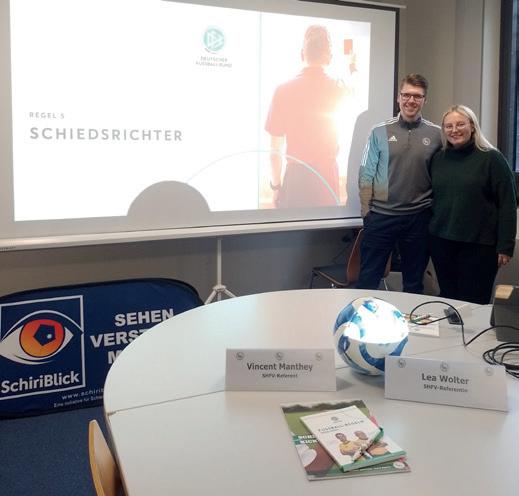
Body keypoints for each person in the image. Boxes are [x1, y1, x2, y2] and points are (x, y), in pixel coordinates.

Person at [357, 73, 441, 293]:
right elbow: (366, 173)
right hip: (381, 217)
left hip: (418, 219)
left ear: (425, 100)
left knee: (414, 284)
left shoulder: (437, 134)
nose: (411, 100)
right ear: (398, 97)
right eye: (406, 95)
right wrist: (367, 212)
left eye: (417, 96)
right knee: (368, 280)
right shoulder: (378, 131)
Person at [429, 105, 517, 304]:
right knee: (448, 300)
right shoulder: (438, 159)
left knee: (474, 302)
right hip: (441, 242)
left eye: (460, 124)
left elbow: (508, 204)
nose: (454, 130)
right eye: (449, 126)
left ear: (473, 126)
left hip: (479, 246)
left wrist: (506, 245)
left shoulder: (491, 158)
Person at [265, 25, 346, 208]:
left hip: (296, 182)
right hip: (327, 181)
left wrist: (276, 187)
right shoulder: (339, 89)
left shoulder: (282, 91)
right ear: (329, 57)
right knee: (327, 228)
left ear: (302, 54)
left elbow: (274, 151)